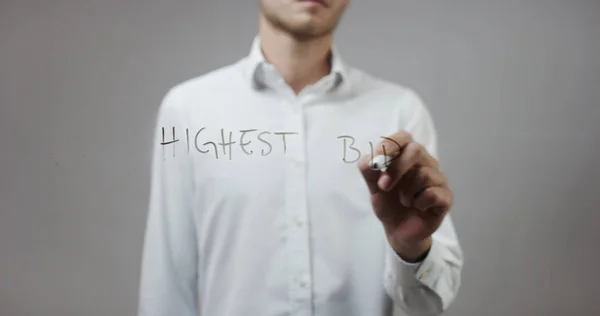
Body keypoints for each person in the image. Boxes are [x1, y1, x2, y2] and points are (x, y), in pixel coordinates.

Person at [137, 0, 464, 315]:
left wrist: (410, 249)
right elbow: (166, 289)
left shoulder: (399, 114)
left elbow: (429, 305)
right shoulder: (187, 111)